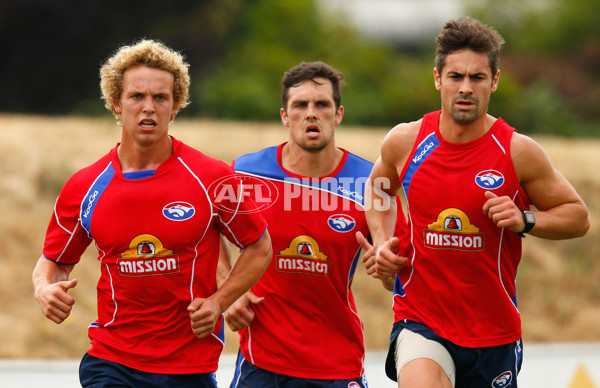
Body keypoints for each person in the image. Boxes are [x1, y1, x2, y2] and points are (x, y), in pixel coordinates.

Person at [364, 17, 590, 388]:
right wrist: (382, 240)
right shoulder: (405, 142)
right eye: (455, 77)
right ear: (438, 78)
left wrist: (525, 218)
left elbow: (577, 217)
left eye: (477, 77)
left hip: (493, 334)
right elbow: (378, 191)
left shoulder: (517, 151)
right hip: (421, 321)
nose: (465, 88)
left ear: (494, 81)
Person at [32, 39, 272, 388]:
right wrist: (44, 288)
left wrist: (219, 302)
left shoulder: (211, 177)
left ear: (175, 106)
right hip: (111, 361)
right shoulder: (85, 187)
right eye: (137, 97)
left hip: (188, 366)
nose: (149, 108)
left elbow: (259, 246)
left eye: (160, 98)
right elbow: (53, 262)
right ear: (116, 103)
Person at [223, 61, 375, 388]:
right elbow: (206, 233)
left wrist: (387, 268)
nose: (311, 113)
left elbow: (398, 271)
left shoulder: (371, 182)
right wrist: (227, 291)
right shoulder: (245, 173)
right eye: (300, 105)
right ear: (284, 116)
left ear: (338, 114)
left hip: (336, 364)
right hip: (260, 363)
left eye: (321, 104)